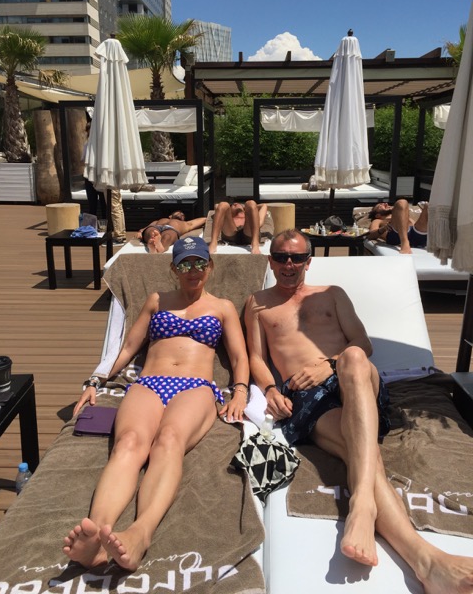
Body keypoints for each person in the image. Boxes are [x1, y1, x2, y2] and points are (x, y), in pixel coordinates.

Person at [244, 228, 473, 593]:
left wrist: (327, 364)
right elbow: (256, 357)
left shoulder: (332, 294)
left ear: (308, 262)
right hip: (309, 398)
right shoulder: (257, 304)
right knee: (362, 451)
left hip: (354, 378)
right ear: (270, 261)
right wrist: (270, 388)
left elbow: (363, 343)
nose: (289, 264)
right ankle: (427, 560)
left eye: (297, 257)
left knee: (351, 356)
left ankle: (362, 502)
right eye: (281, 257)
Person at [63, 237, 250, 572]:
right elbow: (127, 348)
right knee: (129, 443)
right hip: (149, 384)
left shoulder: (222, 307)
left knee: (169, 440)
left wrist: (240, 391)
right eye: (184, 264)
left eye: (199, 262)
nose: (193, 270)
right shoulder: (156, 300)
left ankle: (140, 534)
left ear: (209, 266)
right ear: (174, 269)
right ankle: (96, 537)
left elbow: (239, 357)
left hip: (196, 387)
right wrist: (95, 380)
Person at [137, 211, 207, 253]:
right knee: (151, 232)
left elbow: (204, 219)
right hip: (156, 227)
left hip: (171, 229)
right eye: (179, 212)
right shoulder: (158, 220)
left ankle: (159, 248)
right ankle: (153, 243)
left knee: (167, 236)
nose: (181, 214)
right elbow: (145, 228)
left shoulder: (185, 223)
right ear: (170, 216)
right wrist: (141, 232)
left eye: (183, 215)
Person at [82, 122, 106, 219]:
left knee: (104, 203)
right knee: (92, 204)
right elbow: (83, 160)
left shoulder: (102, 145)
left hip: (100, 176)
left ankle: (105, 224)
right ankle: (92, 225)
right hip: (89, 177)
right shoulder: (87, 145)